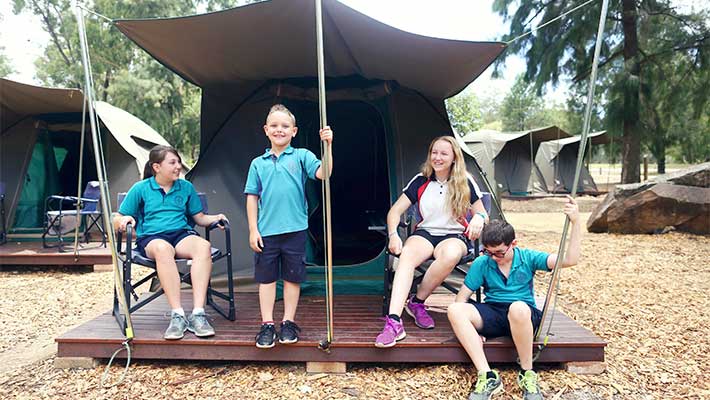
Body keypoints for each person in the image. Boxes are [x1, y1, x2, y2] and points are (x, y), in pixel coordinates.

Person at [447, 196, 582, 400]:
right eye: (488, 252)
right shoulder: (483, 263)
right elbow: (461, 299)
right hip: (494, 313)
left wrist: (576, 222)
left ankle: (527, 373)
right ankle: (487, 375)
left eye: (499, 252)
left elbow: (570, 260)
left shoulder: (528, 257)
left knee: (517, 308)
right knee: (454, 310)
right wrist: (469, 329)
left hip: (523, 315)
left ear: (513, 244)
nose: (493, 257)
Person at [376, 136, 488, 348]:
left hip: (455, 235)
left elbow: (482, 213)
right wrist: (393, 234)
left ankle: (417, 301)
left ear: (454, 157)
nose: (437, 157)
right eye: (434, 153)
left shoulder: (465, 180)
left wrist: (479, 220)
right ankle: (394, 322)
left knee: (451, 254)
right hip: (426, 233)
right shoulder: (421, 180)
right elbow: (395, 212)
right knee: (406, 256)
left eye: (444, 153)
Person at [114, 145, 228, 340]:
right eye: (172, 163)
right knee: (163, 249)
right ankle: (178, 315)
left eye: (178, 162)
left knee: (203, 246)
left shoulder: (186, 187)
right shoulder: (141, 188)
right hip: (152, 238)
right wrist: (123, 220)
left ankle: (198, 313)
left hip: (181, 234)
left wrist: (216, 218)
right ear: (157, 167)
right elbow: (118, 217)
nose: (178, 166)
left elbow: (199, 218)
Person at [245, 104, 334, 349]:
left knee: (293, 279)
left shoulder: (301, 156)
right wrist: (253, 229)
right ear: (266, 130)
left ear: (294, 131)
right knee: (267, 279)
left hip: (295, 229)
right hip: (267, 231)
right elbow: (252, 197)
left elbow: (324, 173)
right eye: (274, 125)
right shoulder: (258, 163)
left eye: (285, 126)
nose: (279, 130)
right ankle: (267, 324)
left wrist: (328, 146)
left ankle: (288, 322)